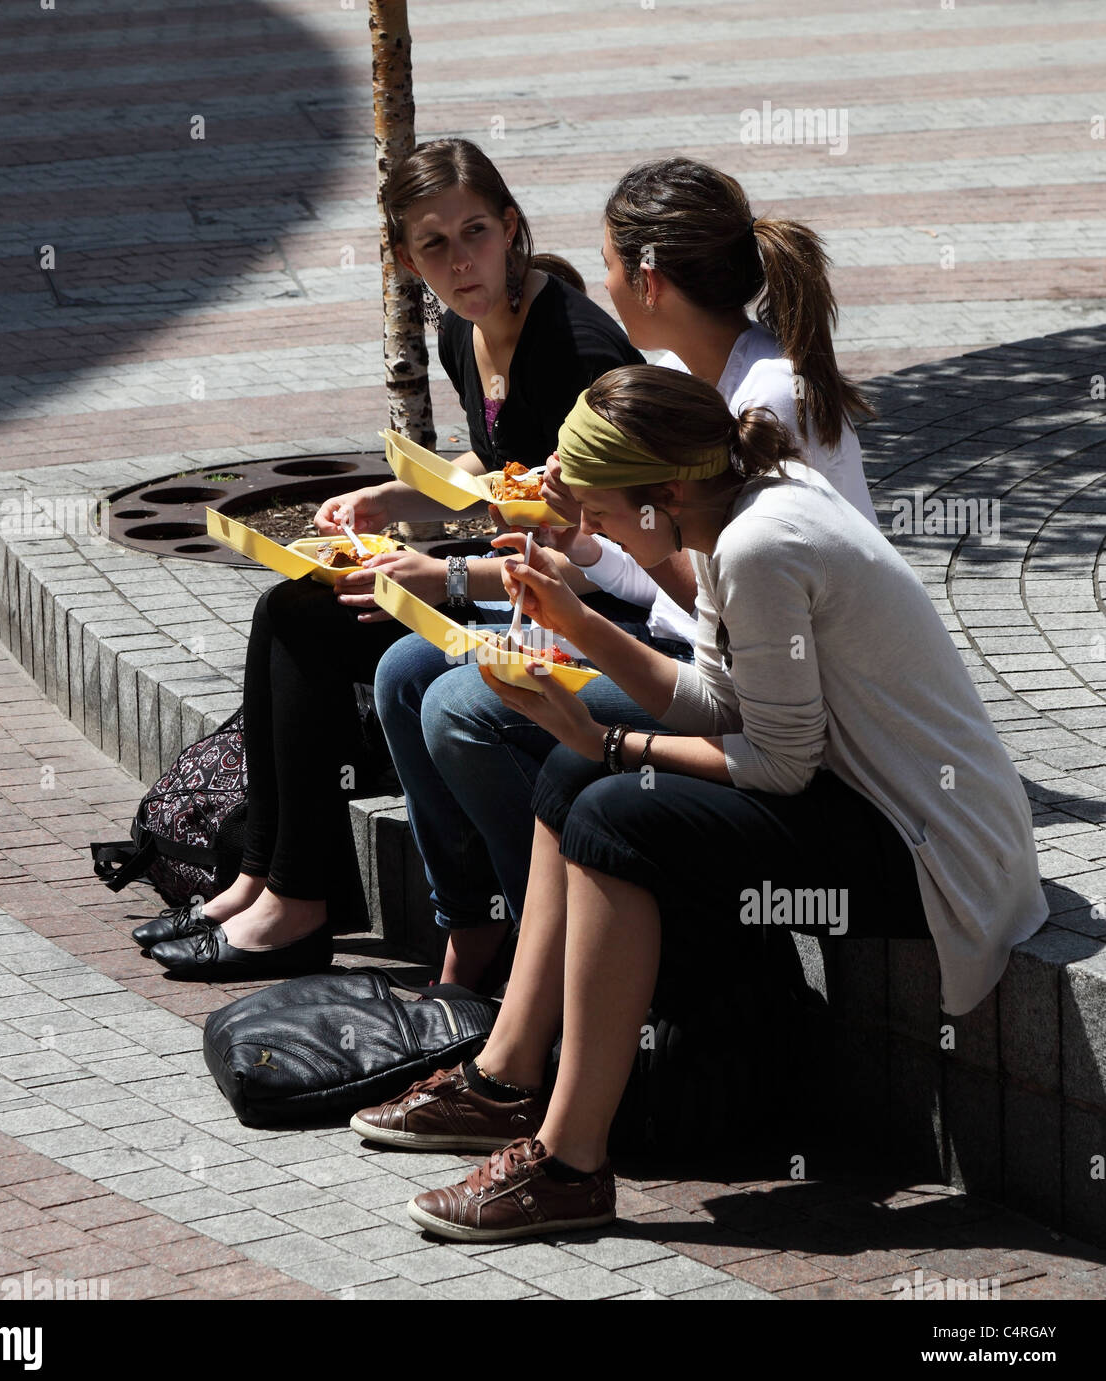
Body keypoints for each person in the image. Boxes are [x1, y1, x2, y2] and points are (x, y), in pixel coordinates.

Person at [351, 366, 1048, 1242]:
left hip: (936, 853)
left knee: (607, 807)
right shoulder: (738, 505)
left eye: (597, 512)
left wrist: (601, 739)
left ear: (665, 493)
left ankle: (569, 1166)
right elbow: (721, 704)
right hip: (869, 800)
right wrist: (576, 627)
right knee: (569, 783)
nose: (583, 527)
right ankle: (507, 1081)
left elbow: (778, 762)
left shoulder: (758, 546)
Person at [134, 138, 642, 980]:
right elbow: (501, 464)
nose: (458, 259)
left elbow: (599, 547)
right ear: (404, 257)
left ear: (510, 227)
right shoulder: (464, 330)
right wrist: (397, 499)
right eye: (432, 245)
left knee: (311, 625)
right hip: (524, 584)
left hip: (585, 608)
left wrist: (435, 574)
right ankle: (264, 872)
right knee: (288, 605)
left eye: (474, 233)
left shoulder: (576, 354)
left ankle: (299, 902)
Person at [373, 156, 876, 987]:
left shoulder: (763, 400)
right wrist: (577, 542)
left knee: (468, 704)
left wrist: (569, 585)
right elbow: (673, 579)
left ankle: (549, 960)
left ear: (646, 280)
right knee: (407, 668)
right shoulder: (677, 378)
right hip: (703, 648)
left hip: (764, 688)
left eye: (606, 264)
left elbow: (724, 608)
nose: (596, 285)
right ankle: (495, 939)